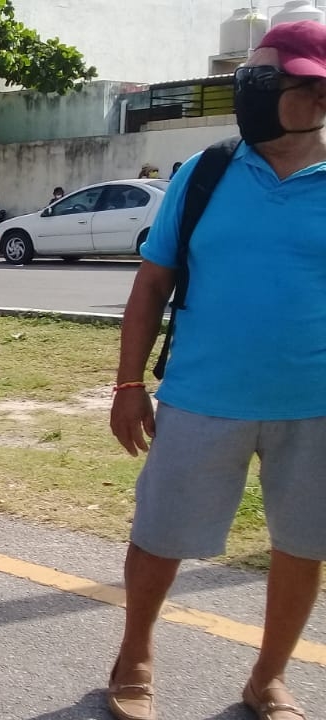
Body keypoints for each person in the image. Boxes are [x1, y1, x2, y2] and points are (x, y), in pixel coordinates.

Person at [107, 22, 326, 720]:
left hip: (316, 405)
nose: (249, 94)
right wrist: (128, 384)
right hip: (202, 398)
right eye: (248, 79)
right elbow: (150, 284)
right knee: (160, 533)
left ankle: (268, 677)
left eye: (269, 81)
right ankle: (134, 653)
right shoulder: (206, 172)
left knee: (304, 544)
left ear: (318, 95)